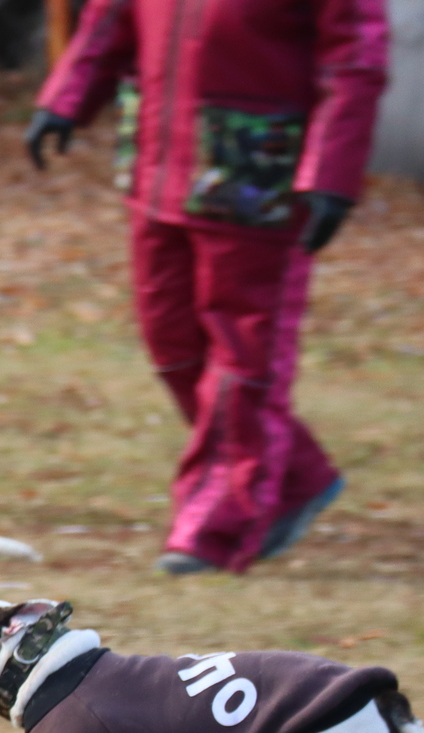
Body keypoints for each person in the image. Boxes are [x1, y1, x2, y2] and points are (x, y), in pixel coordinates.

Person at [24, 0, 390, 574]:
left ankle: (220, 524)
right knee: (170, 341)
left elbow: (355, 61)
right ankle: (296, 477)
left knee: (244, 354)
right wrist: (67, 97)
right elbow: (110, 19)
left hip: (257, 173)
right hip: (157, 163)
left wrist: (332, 172)